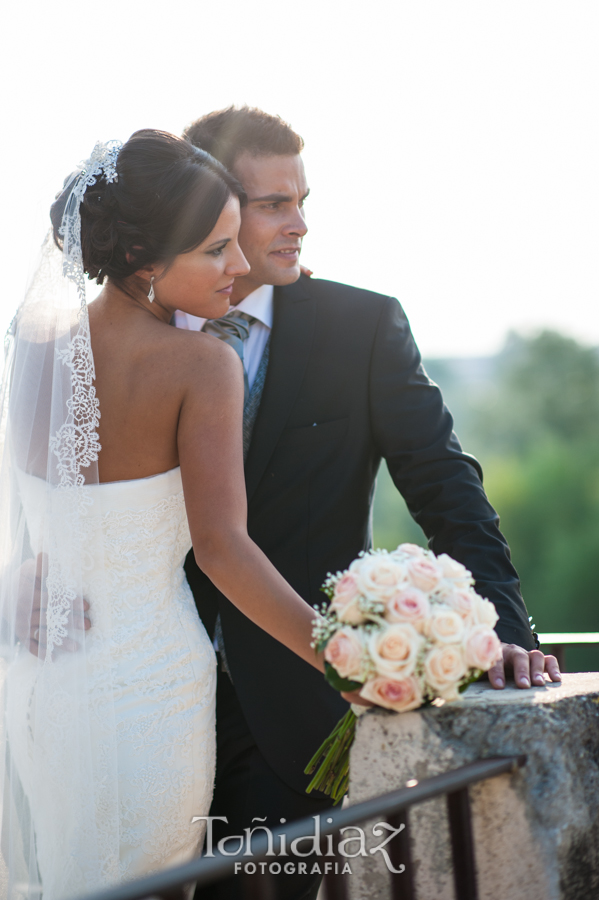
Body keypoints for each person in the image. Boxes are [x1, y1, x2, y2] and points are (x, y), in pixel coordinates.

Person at [179, 106, 562, 900]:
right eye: (274, 204)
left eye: (303, 200)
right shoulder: (133, 336)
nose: (300, 225)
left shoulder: (359, 325)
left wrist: (508, 631)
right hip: (146, 700)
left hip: (290, 711)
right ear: (205, 210)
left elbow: (444, 486)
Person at [0, 129, 334, 900]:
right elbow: (222, 548)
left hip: (44, 692)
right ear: (148, 264)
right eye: (217, 250)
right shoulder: (201, 365)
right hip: (151, 694)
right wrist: (341, 662)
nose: (242, 267)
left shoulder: (30, 346)